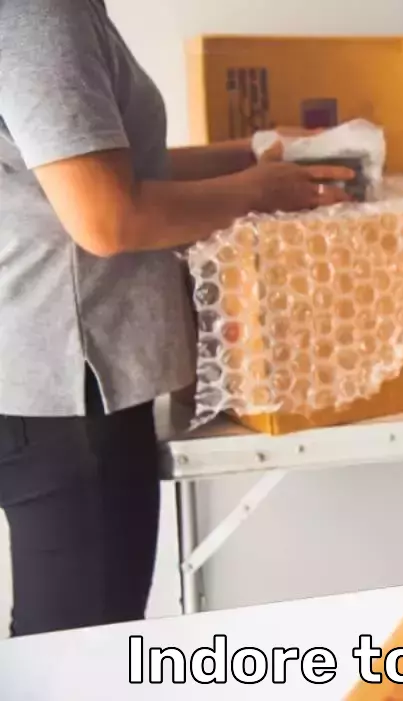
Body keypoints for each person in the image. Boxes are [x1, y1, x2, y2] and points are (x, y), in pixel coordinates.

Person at [0, 0, 357, 636]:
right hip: (66, 388)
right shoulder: (37, 14)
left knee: (70, 638)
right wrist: (258, 191)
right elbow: (109, 219)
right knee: (81, 650)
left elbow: (113, 170)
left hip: (40, 372)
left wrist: (252, 156)